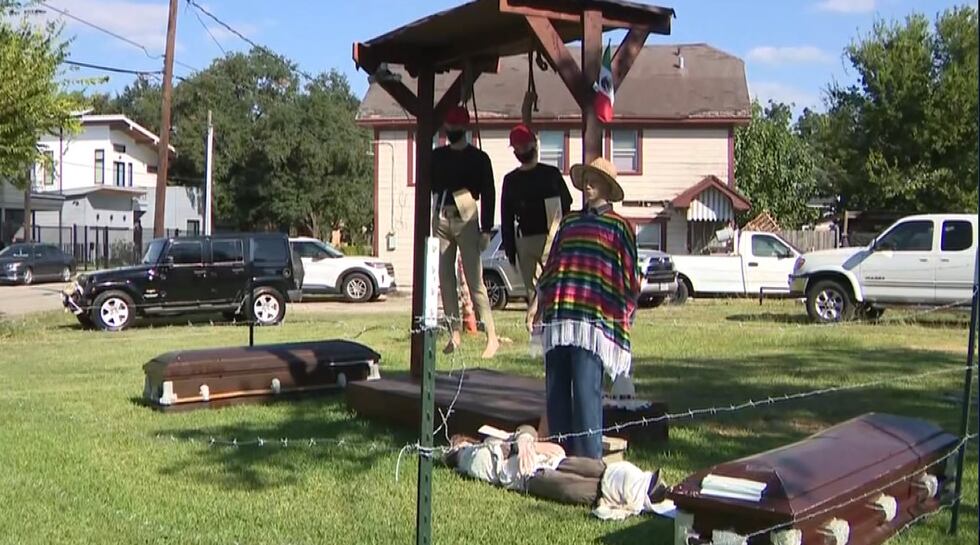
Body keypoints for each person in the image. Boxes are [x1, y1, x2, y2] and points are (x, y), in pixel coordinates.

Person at [533, 157, 640, 459]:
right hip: (560, 317)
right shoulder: (568, 221)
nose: (589, 184)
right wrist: (539, 304)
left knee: (585, 392)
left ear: (608, 186)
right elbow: (552, 266)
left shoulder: (619, 227)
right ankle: (559, 456)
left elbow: (629, 275)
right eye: (586, 178)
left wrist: (623, 312)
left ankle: (589, 462)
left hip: (592, 322)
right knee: (556, 394)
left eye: (595, 179)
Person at [445, 426, 666, 519]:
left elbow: (536, 437)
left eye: (458, 443)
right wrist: (518, 444)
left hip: (553, 459)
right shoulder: (470, 459)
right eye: (455, 446)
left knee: (601, 469)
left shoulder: (489, 439)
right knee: (586, 488)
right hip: (529, 475)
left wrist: (525, 441)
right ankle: (640, 495)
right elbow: (488, 460)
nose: (457, 446)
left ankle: (645, 483)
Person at [431, 105, 499, 358]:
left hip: (467, 217)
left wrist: (486, 229)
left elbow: (489, 192)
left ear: (465, 129)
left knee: (475, 279)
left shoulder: (478, 159)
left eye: (455, 127)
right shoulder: (437, 156)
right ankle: (454, 332)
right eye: (449, 127)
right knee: (445, 277)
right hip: (441, 216)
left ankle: (491, 336)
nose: (451, 131)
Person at [500, 124, 572, 331]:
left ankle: (546, 326)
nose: (521, 150)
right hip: (538, 240)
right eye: (519, 147)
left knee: (543, 289)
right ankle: (543, 328)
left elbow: (566, 207)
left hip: (542, 239)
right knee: (542, 288)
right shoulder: (521, 179)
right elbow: (506, 217)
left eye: (523, 146)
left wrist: (511, 249)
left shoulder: (541, 176)